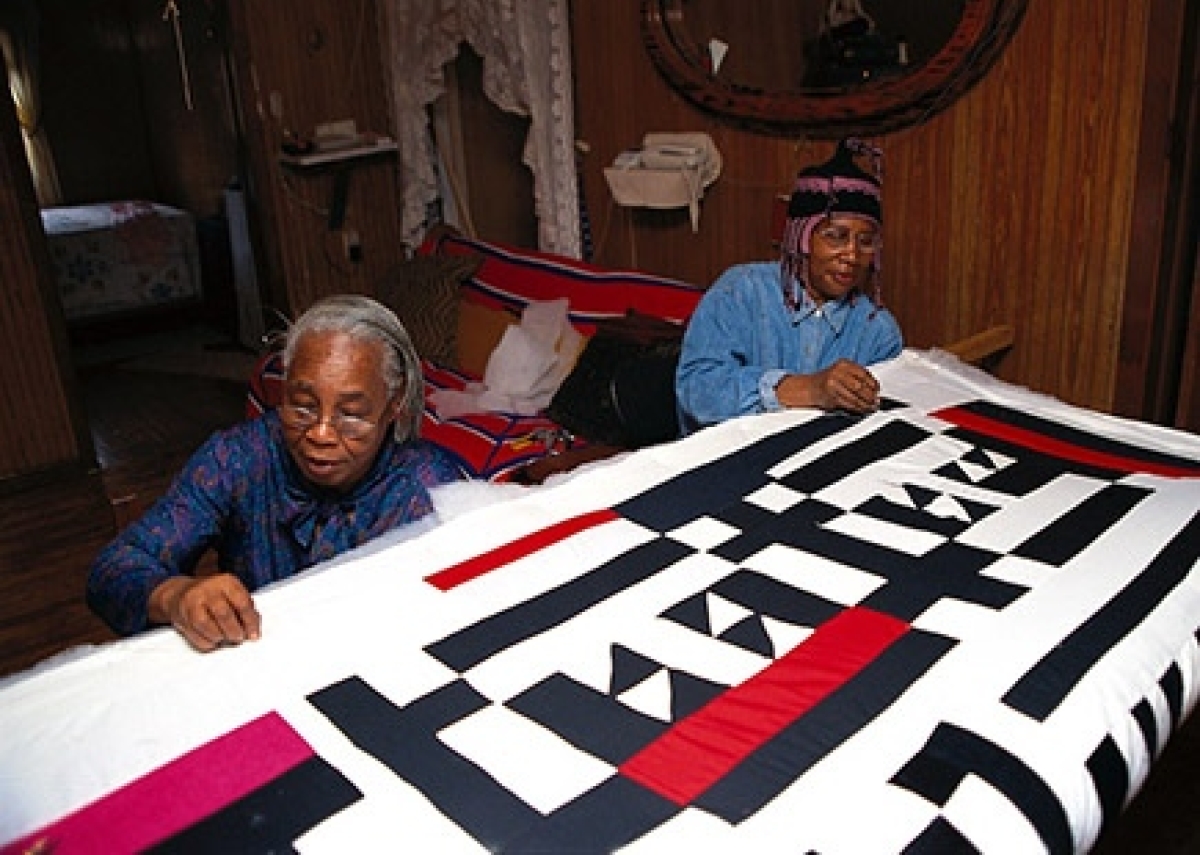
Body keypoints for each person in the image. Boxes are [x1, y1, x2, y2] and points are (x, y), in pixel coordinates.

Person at [87, 295, 462, 651]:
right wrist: (177, 596)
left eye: (350, 414)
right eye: (301, 407)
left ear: (393, 406)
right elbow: (114, 568)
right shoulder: (238, 458)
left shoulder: (430, 484)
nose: (320, 433)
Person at [676, 139, 902, 433]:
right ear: (801, 238)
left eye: (866, 242)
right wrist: (806, 390)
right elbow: (696, 390)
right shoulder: (741, 291)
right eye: (835, 236)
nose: (852, 255)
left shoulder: (879, 332)